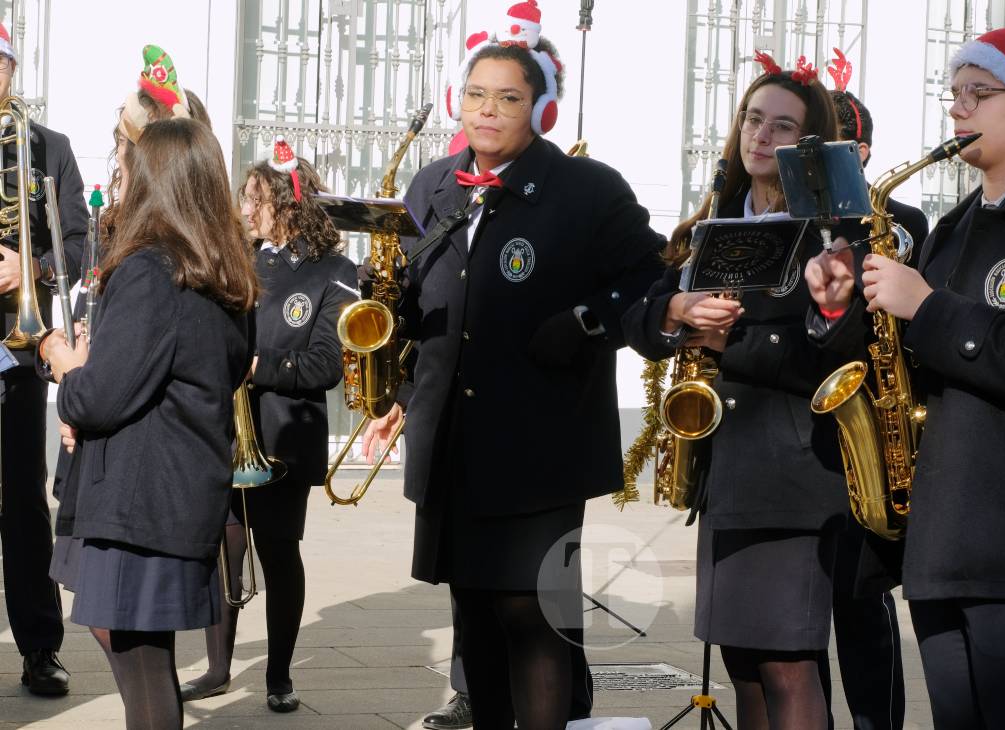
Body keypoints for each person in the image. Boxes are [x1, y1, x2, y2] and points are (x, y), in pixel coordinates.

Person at [808, 19, 1005, 727]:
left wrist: (927, 307)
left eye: (976, 93)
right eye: (952, 92)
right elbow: (902, 362)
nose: (955, 108)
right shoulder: (954, 225)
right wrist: (843, 308)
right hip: (943, 539)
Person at [361, 3, 664, 728]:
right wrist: (397, 378)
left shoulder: (588, 190)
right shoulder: (432, 187)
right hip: (455, 443)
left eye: (508, 97)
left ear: (538, 108)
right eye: (475, 94)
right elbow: (412, 299)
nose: (487, 110)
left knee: (537, 618)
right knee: (474, 614)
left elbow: (652, 278)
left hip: (544, 445)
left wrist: (587, 321)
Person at [623, 51, 865, 729]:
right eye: (753, 119)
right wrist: (674, 314)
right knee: (744, 669)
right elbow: (639, 317)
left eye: (782, 127)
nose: (761, 135)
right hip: (724, 473)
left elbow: (837, 357)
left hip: (797, 477)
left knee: (788, 666)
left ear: (807, 144)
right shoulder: (718, 214)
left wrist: (735, 344)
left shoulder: (830, 233)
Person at [40, 117, 257, 730]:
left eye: (130, 166)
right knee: (141, 657)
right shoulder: (220, 269)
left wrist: (67, 366)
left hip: (142, 497)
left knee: (141, 667)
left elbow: (99, 397)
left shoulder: (151, 268)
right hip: (175, 492)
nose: (121, 175)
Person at [176, 137, 357, 713]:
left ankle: (279, 675)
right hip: (226, 433)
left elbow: (327, 362)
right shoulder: (238, 260)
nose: (246, 209)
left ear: (287, 201)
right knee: (223, 548)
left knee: (279, 553)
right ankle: (220, 669)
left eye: (256, 199)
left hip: (282, 436)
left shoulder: (337, 269)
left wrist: (259, 366)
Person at [822, 86, 921, 729]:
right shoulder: (788, 215)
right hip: (796, 430)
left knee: (861, 602)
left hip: (869, 427)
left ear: (860, 151)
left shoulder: (900, 218)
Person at [0, 21, 88, 697]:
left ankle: (40, 648)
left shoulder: (49, 148)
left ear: (13, 68)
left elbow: (78, 243)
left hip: (16, 353)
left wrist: (26, 270)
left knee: (25, 501)